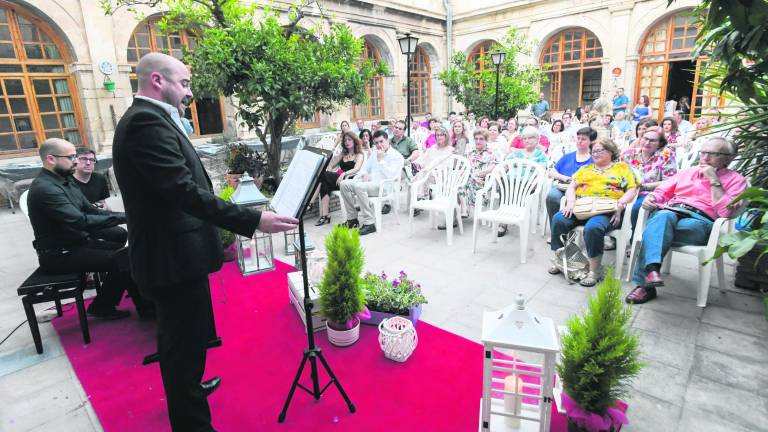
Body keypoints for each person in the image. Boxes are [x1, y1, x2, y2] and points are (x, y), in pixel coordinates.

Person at [112, 52, 298, 432]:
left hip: (178, 256)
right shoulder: (145, 123)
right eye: (183, 83)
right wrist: (254, 218)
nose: (189, 93)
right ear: (157, 81)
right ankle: (191, 421)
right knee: (182, 346)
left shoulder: (153, 119)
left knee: (190, 340)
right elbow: (183, 191)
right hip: (171, 259)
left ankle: (190, 390)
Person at [28, 138, 153, 319]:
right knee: (126, 259)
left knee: (127, 254)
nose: (76, 161)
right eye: (71, 157)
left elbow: (91, 210)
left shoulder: (64, 180)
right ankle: (143, 308)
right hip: (59, 254)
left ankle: (108, 305)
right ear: (51, 159)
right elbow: (80, 221)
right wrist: (129, 218)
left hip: (77, 243)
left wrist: (129, 216)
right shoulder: (45, 189)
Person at [626, 137, 747, 304]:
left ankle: (645, 282)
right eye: (703, 152)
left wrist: (714, 180)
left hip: (700, 222)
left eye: (712, 154)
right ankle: (652, 269)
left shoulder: (736, 180)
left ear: (728, 158)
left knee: (654, 230)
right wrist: (653, 197)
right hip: (672, 212)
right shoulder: (688, 172)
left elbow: (725, 212)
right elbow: (662, 190)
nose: (704, 158)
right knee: (663, 215)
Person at [549, 138, 638, 286]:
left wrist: (621, 205)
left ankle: (594, 271)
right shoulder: (586, 169)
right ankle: (562, 261)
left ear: (611, 151)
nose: (595, 154)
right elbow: (571, 187)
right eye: (594, 151)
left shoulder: (622, 168)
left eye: (599, 150)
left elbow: (632, 190)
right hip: (582, 206)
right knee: (559, 220)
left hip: (606, 209)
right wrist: (570, 202)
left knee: (593, 228)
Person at [339, 129, 404, 235]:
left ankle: (369, 223)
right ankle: (352, 219)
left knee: (360, 187)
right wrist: (364, 174)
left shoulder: (396, 156)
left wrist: (381, 160)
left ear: (387, 140)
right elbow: (365, 168)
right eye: (376, 142)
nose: (379, 145)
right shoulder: (374, 153)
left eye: (381, 141)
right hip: (369, 184)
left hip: (384, 187)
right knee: (344, 184)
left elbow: (391, 176)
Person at [621, 126, 677, 230]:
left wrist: (645, 187)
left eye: (652, 140)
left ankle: (635, 237)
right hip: (627, 190)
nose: (647, 143)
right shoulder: (628, 154)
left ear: (660, 143)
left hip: (650, 192)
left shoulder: (666, 155)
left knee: (638, 207)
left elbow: (669, 181)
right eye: (645, 139)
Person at [498, 126, 548, 237]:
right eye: (525, 138)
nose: (527, 140)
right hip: (511, 181)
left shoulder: (541, 155)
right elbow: (506, 166)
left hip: (529, 184)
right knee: (503, 183)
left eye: (531, 138)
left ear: (537, 140)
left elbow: (541, 171)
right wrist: (500, 173)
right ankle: (504, 220)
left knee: (515, 186)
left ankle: (516, 214)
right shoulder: (516, 153)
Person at [72, 148, 127, 244]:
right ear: (75, 160)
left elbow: (103, 203)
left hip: (98, 218)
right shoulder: (67, 181)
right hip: (78, 222)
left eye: (92, 160)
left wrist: (105, 207)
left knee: (121, 233)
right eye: (84, 159)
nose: (88, 163)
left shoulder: (99, 178)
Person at [545, 127, 595, 228]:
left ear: (591, 142)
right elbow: (552, 172)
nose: (580, 141)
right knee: (552, 196)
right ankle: (555, 228)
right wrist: (565, 178)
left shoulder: (593, 160)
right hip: (563, 187)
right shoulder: (568, 156)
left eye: (584, 139)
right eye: (578, 138)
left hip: (582, 191)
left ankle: (572, 230)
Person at [315, 132, 365, 226]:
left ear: (354, 141)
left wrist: (344, 174)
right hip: (339, 180)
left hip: (349, 181)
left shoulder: (359, 154)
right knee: (324, 183)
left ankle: (311, 202)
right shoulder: (343, 154)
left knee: (324, 176)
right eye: (345, 140)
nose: (347, 142)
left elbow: (356, 168)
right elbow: (332, 164)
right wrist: (330, 169)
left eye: (349, 140)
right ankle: (325, 216)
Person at [462, 128, 498, 217]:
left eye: (481, 139)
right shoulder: (471, 153)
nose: (478, 141)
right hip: (470, 178)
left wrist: (477, 174)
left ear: (486, 140)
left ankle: (465, 209)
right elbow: (466, 166)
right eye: (476, 139)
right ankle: (462, 209)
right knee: (459, 183)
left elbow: (492, 168)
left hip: (485, 181)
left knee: (468, 180)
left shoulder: (491, 153)